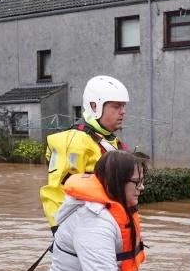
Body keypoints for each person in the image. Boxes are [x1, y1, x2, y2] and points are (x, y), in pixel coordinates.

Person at [40, 75, 130, 231]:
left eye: (123, 106)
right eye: (116, 107)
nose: (123, 112)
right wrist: (60, 232)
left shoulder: (112, 142)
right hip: (86, 230)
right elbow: (56, 192)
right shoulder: (75, 142)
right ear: (95, 107)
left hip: (110, 226)